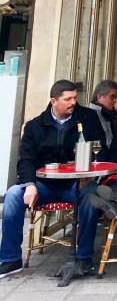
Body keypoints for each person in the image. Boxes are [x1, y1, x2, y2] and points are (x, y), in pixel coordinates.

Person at [0, 79, 108, 279]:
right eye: (68, 99)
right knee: (14, 194)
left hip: (75, 183)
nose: (73, 102)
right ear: (53, 101)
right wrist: (30, 185)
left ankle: (83, 258)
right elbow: (25, 160)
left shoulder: (88, 118)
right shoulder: (35, 126)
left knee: (92, 196)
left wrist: (91, 174)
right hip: (44, 184)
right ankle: (10, 259)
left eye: (75, 98)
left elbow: (101, 151)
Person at [89, 79, 117, 146]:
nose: (114, 101)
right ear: (99, 97)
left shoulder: (111, 114)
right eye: (112, 97)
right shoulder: (90, 115)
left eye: (115, 97)